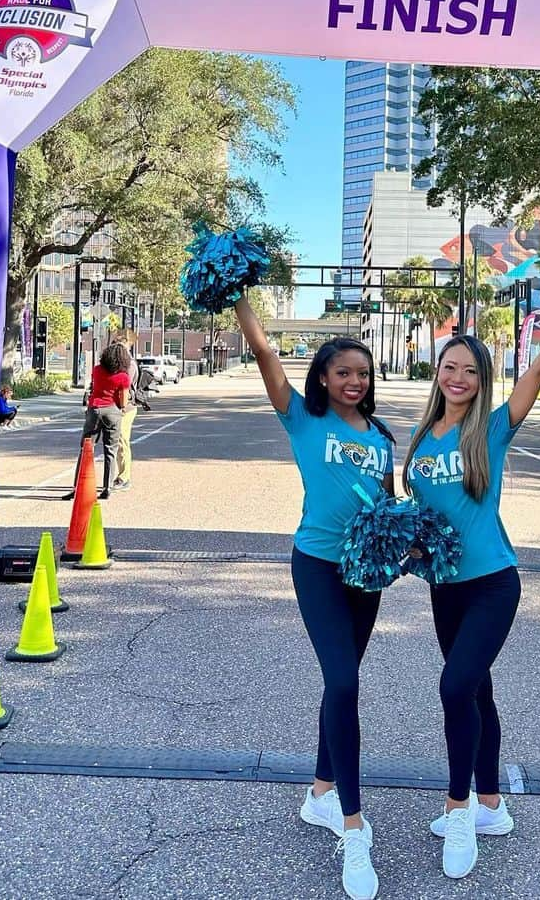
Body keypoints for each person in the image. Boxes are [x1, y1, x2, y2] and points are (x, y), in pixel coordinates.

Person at [403, 314, 540, 880]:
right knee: (477, 693)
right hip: (444, 589)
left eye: (470, 370)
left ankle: (458, 811)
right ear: (438, 372)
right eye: (450, 367)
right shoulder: (422, 437)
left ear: (483, 380)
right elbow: (425, 520)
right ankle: (491, 807)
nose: (458, 377)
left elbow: (539, 368)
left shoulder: (491, 430)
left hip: (493, 584)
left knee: (454, 686)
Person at [234, 295, 395, 900]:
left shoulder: (381, 435)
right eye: (343, 372)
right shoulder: (302, 417)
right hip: (318, 565)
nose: (354, 381)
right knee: (346, 684)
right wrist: (244, 299)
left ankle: (320, 793)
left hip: (365, 571)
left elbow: (383, 503)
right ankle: (353, 828)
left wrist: (401, 543)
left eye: (362, 373)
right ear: (323, 377)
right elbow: (264, 353)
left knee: (342, 680)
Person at [63, 342, 131, 501]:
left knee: (86, 449)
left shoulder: (97, 370)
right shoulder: (123, 376)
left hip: (95, 409)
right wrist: (120, 408)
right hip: (113, 411)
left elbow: (94, 388)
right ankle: (107, 487)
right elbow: (123, 400)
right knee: (110, 451)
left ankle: (77, 487)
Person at [113, 337, 145, 491]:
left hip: (126, 407)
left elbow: (123, 387)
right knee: (116, 442)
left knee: (122, 440)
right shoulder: (117, 364)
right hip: (115, 406)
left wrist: (122, 406)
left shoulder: (129, 365)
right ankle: (118, 475)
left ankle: (124, 478)